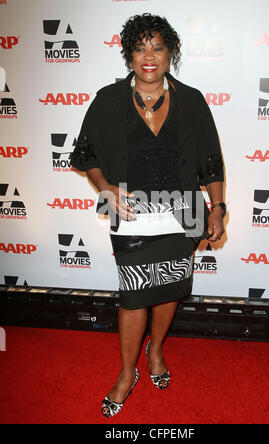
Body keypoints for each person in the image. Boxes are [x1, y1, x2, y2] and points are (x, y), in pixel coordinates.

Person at [70, 13, 225, 418]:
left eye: (157, 46)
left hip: (184, 209)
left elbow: (210, 161)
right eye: (140, 48)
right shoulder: (108, 100)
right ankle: (127, 373)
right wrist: (104, 187)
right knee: (134, 295)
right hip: (130, 210)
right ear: (129, 55)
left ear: (170, 51)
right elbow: (84, 154)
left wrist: (218, 207)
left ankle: (156, 351)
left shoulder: (192, 100)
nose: (149, 56)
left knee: (170, 288)